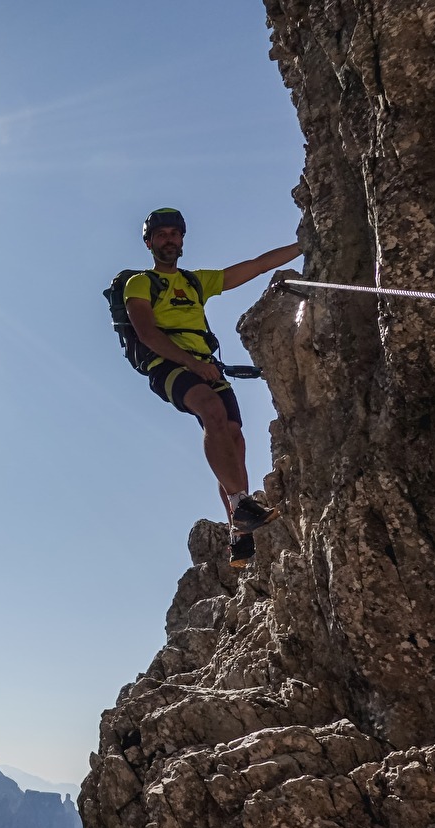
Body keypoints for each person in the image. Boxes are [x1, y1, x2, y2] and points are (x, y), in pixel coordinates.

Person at [124, 208, 301, 568]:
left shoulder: (195, 282)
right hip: (168, 365)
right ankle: (240, 504)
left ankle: (240, 533)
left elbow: (256, 266)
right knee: (212, 411)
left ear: (183, 240)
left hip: (206, 367)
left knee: (233, 437)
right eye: (161, 235)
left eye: (175, 233)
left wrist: (304, 244)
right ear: (148, 242)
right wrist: (192, 364)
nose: (169, 239)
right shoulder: (140, 282)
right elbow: (147, 333)